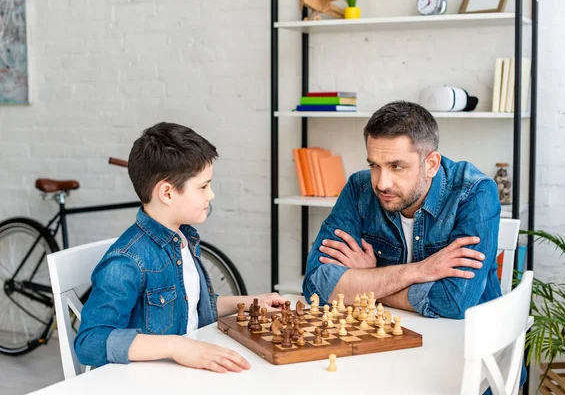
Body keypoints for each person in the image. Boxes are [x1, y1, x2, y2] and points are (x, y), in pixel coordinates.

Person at [75, 122, 286, 373]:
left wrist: (251, 303)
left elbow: (189, 304)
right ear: (167, 193)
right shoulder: (127, 261)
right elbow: (90, 342)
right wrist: (176, 346)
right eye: (203, 187)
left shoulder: (182, 240)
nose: (211, 195)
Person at [302, 100, 503, 319]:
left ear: (431, 165)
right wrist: (419, 270)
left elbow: (453, 302)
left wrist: (366, 280)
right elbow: (316, 285)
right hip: (391, 333)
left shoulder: (474, 192)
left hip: (469, 340)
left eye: (397, 166)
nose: (381, 183)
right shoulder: (359, 188)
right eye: (374, 165)